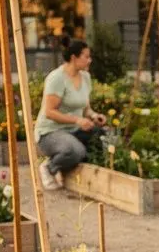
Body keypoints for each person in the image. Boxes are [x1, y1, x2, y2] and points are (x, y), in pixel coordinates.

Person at [35, 38, 106, 192]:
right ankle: (49, 167)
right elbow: (49, 112)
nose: (89, 60)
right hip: (50, 132)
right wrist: (77, 120)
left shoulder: (85, 77)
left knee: (103, 139)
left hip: (73, 131)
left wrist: (94, 116)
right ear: (74, 58)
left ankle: (81, 177)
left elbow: (85, 108)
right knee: (76, 151)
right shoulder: (57, 78)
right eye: (86, 57)